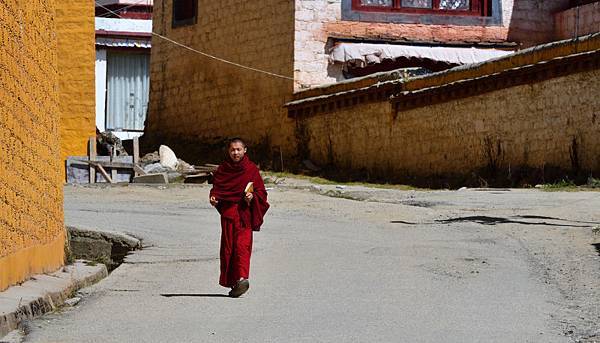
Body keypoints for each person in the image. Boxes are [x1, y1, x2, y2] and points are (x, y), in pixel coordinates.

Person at [209, 138, 269, 297]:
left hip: (244, 216)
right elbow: (217, 189)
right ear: (229, 152)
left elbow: (261, 193)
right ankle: (235, 283)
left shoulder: (251, 170)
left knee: (242, 248)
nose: (235, 153)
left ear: (245, 151)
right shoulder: (223, 169)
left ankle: (242, 278)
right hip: (229, 215)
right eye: (232, 150)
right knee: (229, 249)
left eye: (238, 150)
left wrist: (252, 197)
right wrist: (214, 198)